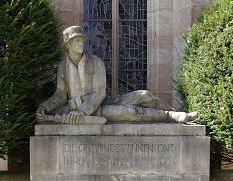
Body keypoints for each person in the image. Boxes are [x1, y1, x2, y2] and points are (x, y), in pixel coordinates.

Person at [37, 26, 197, 124]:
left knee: (144, 95)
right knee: (131, 113)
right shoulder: (63, 68)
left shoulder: (95, 62)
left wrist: (82, 111)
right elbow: (60, 95)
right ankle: (171, 117)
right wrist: (45, 107)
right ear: (68, 44)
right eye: (77, 40)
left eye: (82, 40)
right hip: (86, 111)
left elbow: (99, 92)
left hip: (99, 104)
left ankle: (175, 113)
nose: (81, 43)